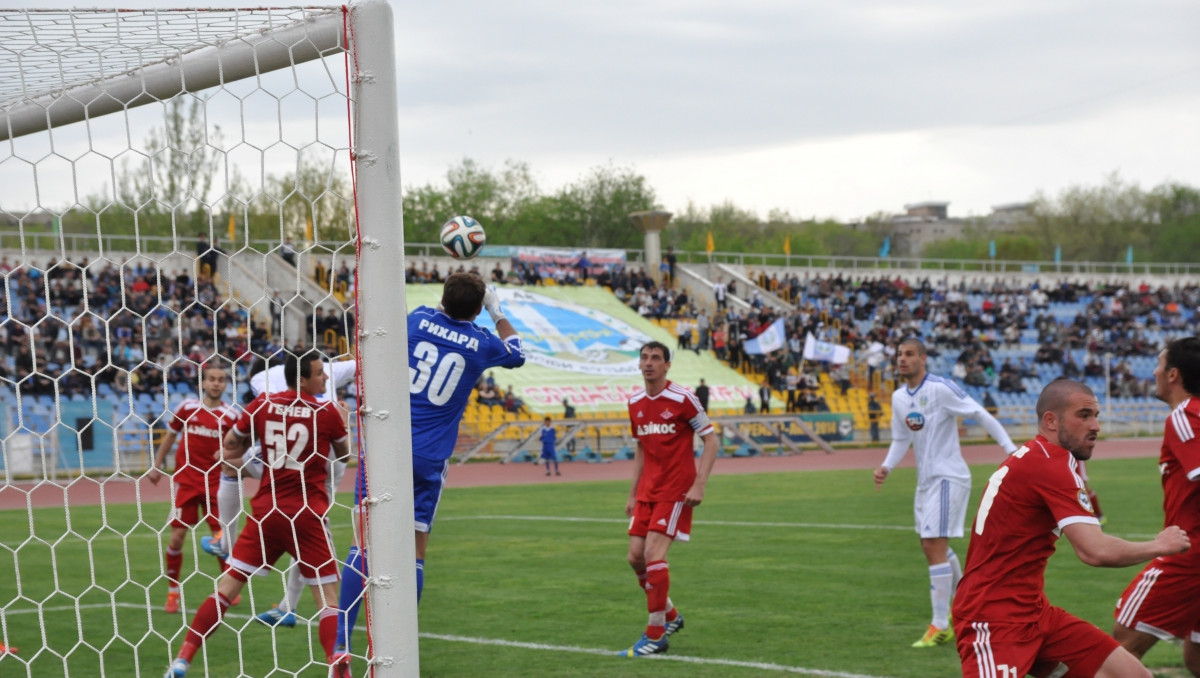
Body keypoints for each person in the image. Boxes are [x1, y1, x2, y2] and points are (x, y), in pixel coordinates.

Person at [333, 272, 525, 655]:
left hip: (386, 445)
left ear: (443, 298)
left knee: (363, 543)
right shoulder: (482, 343)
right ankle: (395, 644)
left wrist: (456, 302)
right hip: (429, 457)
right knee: (415, 549)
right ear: (475, 308)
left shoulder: (417, 319)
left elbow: (438, 315)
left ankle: (340, 642)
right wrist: (495, 309)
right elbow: (518, 353)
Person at [953, 379, 1190, 678]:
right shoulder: (1050, 464)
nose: (1096, 426)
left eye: (1096, 416)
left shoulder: (1040, 456)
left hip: (1033, 612)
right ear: (1051, 421)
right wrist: (1160, 545)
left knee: (1132, 675)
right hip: (993, 619)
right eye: (1084, 415)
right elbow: (1095, 551)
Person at [164, 351, 351, 678]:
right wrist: (343, 425)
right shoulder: (327, 411)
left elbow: (232, 444)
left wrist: (247, 454)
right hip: (307, 514)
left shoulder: (261, 404)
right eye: (320, 374)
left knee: (225, 589)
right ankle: (338, 669)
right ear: (302, 379)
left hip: (267, 512)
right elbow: (344, 454)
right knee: (328, 599)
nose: (325, 379)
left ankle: (183, 658)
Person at [873, 337, 1018, 648]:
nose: (902, 359)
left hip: (949, 477)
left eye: (909, 354)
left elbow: (979, 413)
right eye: (899, 354)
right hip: (925, 482)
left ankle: (941, 624)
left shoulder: (940, 389)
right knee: (933, 548)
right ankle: (969, 608)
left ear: (923, 359)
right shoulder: (899, 397)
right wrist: (886, 466)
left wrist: (1010, 450)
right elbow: (901, 439)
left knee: (933, 545)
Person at [201, 356, 357, 630]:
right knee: (306, 531)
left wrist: (231, 450)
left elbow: (256, 421)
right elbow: (359, 365)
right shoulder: (330, 369)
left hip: (289, 457)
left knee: (230, 468)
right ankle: (288, 606)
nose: (325, 378)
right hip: (323, 460)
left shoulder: (260, 382)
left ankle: (226, 541)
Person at [618, 341, 719, 657]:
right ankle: (671, 616)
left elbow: (711, 440)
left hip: (676, 490)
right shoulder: (634, 402)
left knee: (652, 553)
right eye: (644, 358)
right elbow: (641, 449)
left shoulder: (683, 398)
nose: (649, 363)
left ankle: (655, 634)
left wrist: (700, 485)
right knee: (635, 557)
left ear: (667, 365)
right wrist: (633, 493)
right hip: (648, 492)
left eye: (656, 358)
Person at [1112, 338, 1200, 672]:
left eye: (1159, 365)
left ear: (1173, 374)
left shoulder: (1185, 415)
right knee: (1197, 657)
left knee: (1121, 645)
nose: (1154, 372)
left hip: (1188, 555)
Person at [147, 364, 238, 614]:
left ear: (225, 384)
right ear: (204, 383)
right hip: (186, 482)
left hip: (217, 483)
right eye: (212, 379)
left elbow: (239, 446)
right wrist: (156, 466)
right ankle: (173, 591)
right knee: (177, 537)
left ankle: (228, 588)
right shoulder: (187, 408)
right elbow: (170, 437)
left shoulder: (231, 415)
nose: (217, 383)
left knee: (223, 539)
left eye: (221, 379)